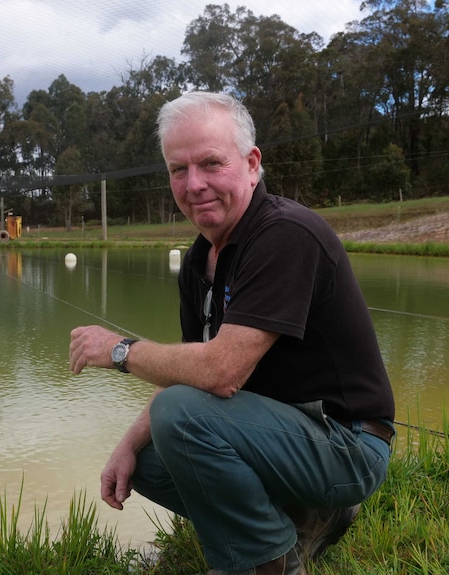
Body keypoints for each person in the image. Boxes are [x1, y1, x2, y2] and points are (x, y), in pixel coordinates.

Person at [68, 92, 395, 575]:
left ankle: (268, 563)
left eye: (211, 163)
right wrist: (125, 448)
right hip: (288, 434)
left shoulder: (284, 234)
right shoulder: (199, 262)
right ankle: (302, 518)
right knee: (150, 462)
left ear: (251, 163)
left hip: (346, 444)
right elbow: (187, 377)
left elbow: (220, 373)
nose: (194, 183)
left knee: (180, 417)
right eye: (179, 169)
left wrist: (119, 351)